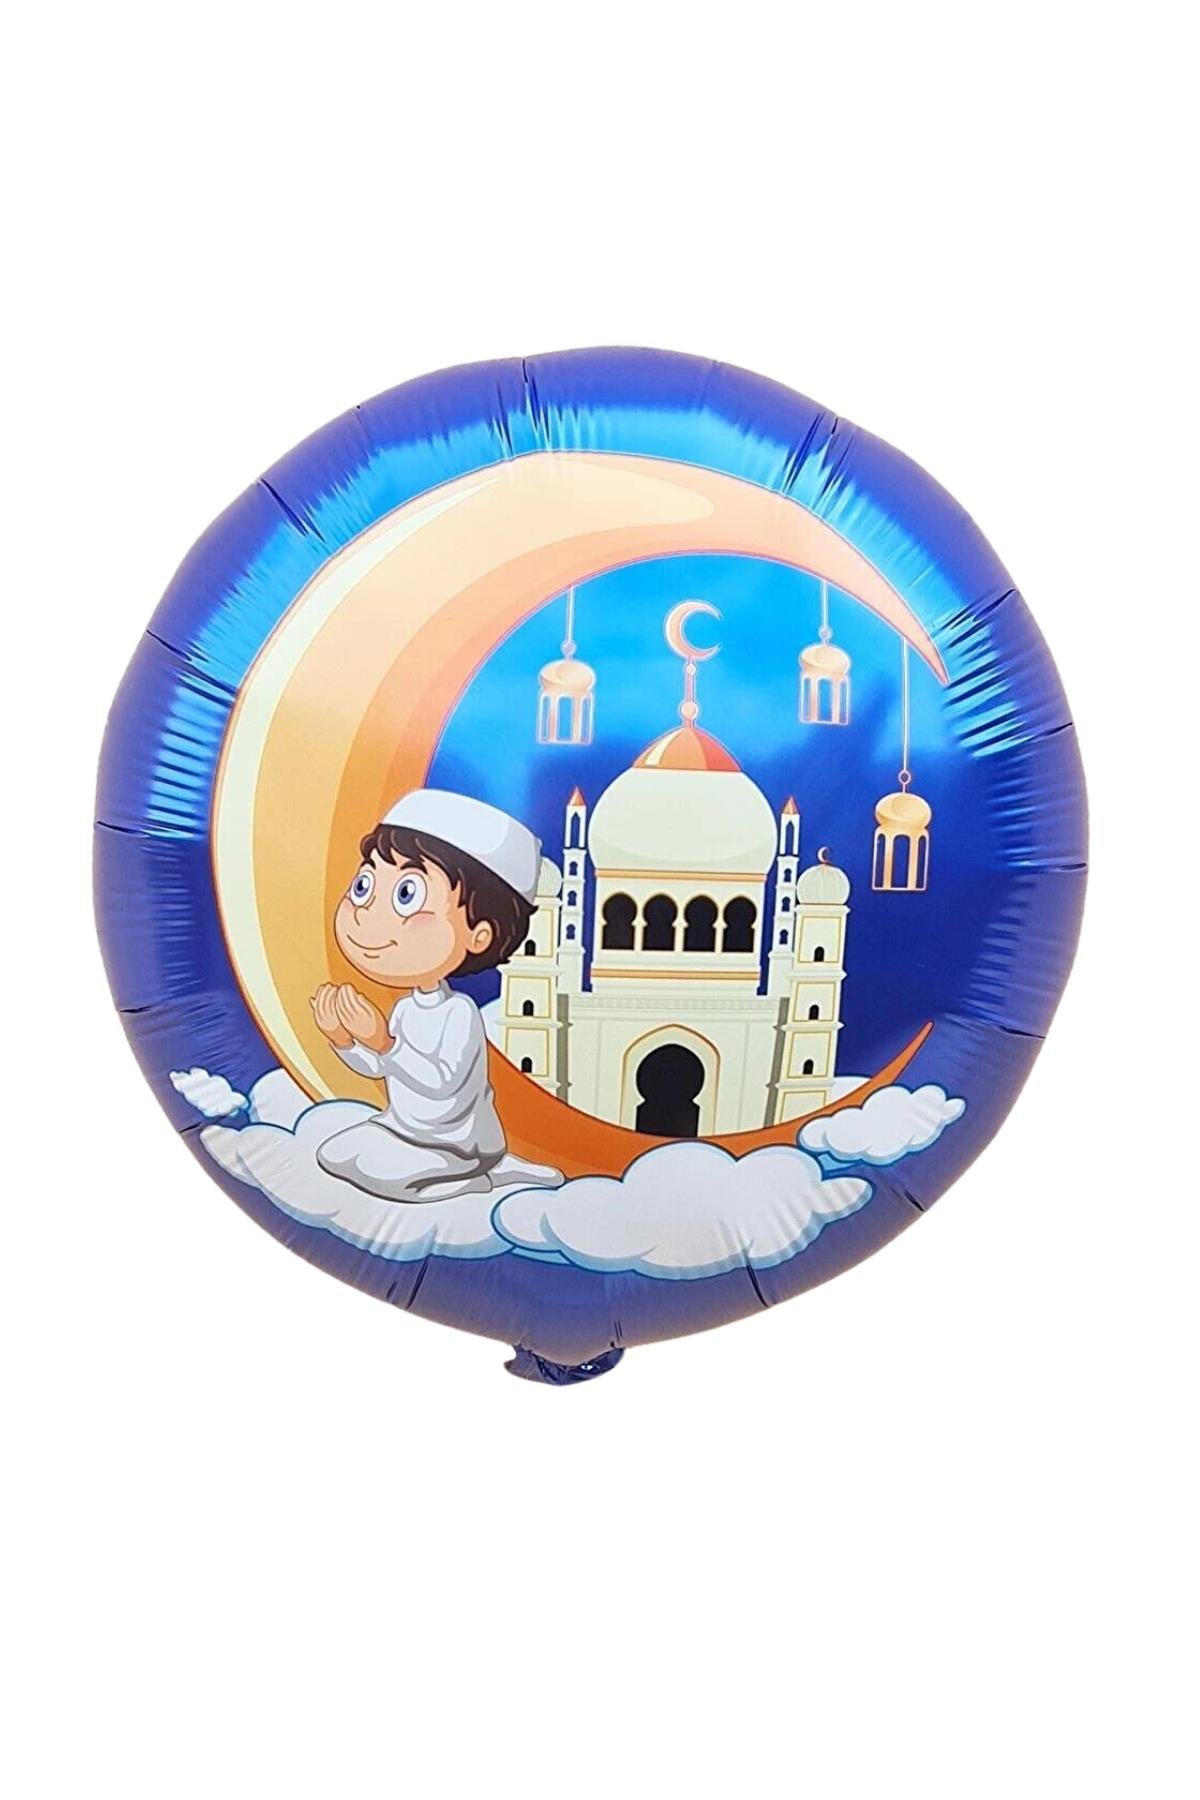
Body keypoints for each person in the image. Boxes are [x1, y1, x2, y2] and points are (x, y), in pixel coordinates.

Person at [310, 789, 562, 1203]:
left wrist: (383, 1042)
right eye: (364, 886)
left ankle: (481, 1175)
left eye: (406, 895)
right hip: (403, 1130)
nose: (366, 912)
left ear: (480, 936)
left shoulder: (460, 1012)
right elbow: (379, 1068)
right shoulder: (406, 1008)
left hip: (455, 1141)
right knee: (335, 1155)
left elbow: (441, 1082)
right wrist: (342, 1038)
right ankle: (491, 1168)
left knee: (382, 1175)